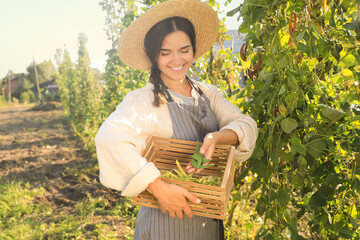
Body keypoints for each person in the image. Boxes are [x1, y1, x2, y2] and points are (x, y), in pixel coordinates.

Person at [95, 0, 258, 239]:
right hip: (165, 219)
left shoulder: (207, 93)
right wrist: (158, 188)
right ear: (154, 55)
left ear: (193, 49)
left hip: (207, 217)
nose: (177, 60)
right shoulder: (144, 100)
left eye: (184, 50)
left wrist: (217, 137)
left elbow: (245, 124)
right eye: (165, 52)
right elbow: (109, 139)